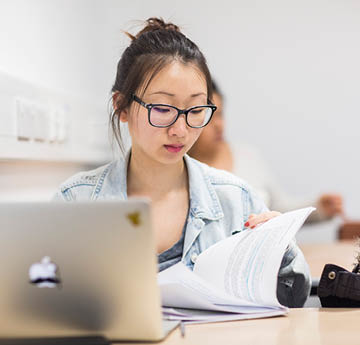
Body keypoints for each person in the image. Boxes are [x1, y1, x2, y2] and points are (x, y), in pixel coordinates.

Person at [54, 18, 310, 307]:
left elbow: (293, 297)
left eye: (196, 109)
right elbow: (40, 301)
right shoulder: (76, 201)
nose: (180, 130)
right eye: (163, 109)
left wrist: (280, 248)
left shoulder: (236, 199)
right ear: (121, 106)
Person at [188, 81, 344, 223]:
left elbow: (277, 209)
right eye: (209, 117)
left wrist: (318, 209)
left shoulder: (247, 156)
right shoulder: (182, 170)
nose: (219, 125)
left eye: (220, 114)